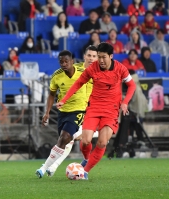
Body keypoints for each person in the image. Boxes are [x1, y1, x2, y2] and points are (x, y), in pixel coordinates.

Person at [56, 42, 136, 180]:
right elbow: (79, 83)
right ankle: (87, 159)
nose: (100, 60)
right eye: (99, 57)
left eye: (103, 57)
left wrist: (125, 103)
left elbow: (132, 85)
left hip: (111, 110)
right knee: (85, 141)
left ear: (111, 56)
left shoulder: (120, 68)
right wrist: (64, 99)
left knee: (102, 142)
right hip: (94, 107)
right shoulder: (93, 68)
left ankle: (85, 171)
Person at [43, 46, 98, 177]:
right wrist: (48, 111)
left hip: (88, 109)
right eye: (89, 55)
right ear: (84, 56)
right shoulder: (77, 70)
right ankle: (54, 167)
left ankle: (50, 167)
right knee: (69, 140)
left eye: (94, 56)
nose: (91, 58)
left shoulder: (100, 72)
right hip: (67, 110)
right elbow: (54, 93)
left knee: (70, 138)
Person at [35, 50, 88, 178]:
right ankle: (52, 167)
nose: (64, 64)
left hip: (78, 110)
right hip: (63, 112)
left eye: (66, 61)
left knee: (64, 138)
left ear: (72, 62)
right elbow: (51, 94)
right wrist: (47, 113)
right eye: (61, 62)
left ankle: (44, 167)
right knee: (64, 141)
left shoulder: (83, 74)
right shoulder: (56, 76)